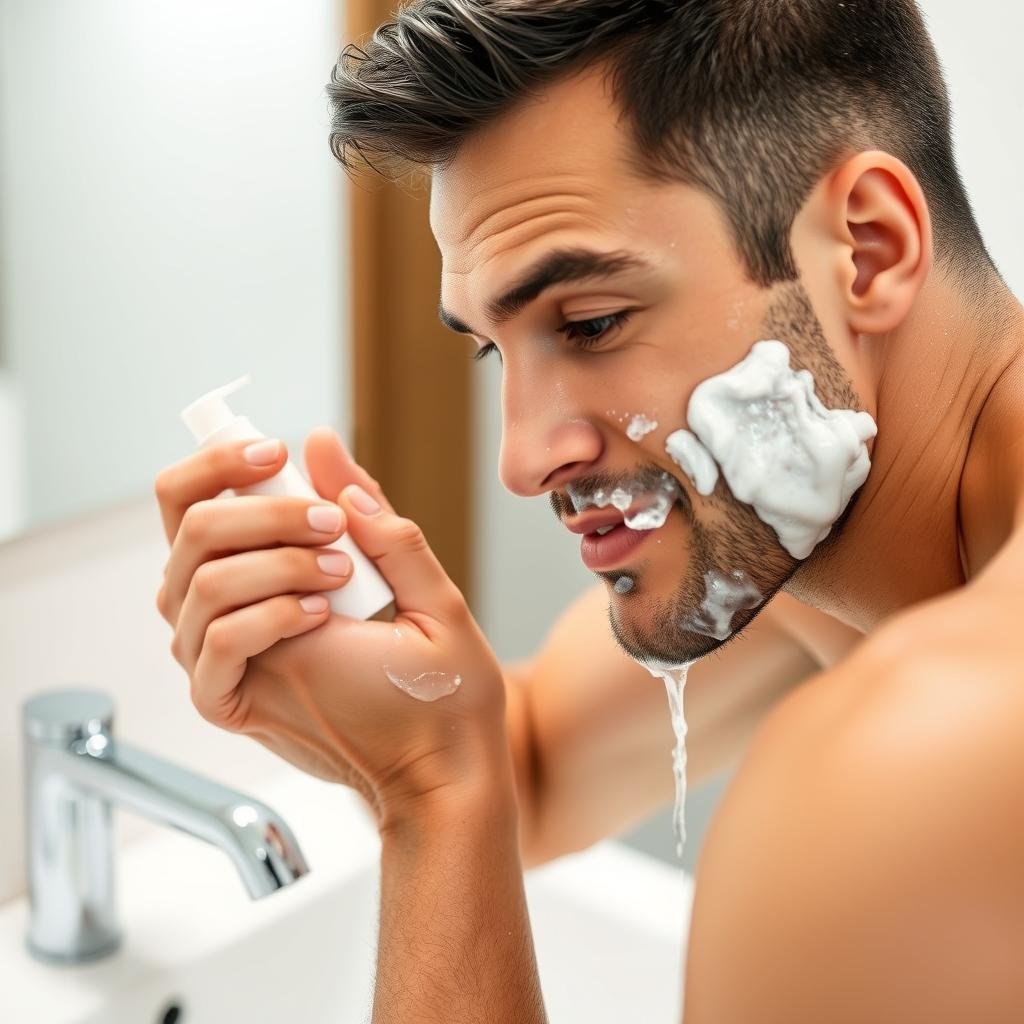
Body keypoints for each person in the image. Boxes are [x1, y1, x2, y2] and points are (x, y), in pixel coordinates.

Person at [154, 1, 1024, 1020]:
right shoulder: (824, 562)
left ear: (867, 250)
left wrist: (429, 796)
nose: (520, 461)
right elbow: (535, 766)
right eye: (493, 347)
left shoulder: (922, 763)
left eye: (592, 322)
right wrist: (402, 706)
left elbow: (475, 786)